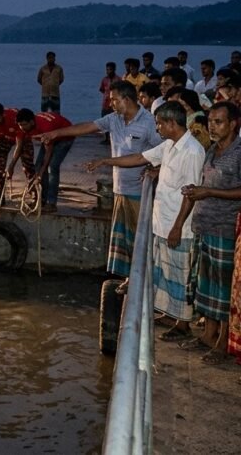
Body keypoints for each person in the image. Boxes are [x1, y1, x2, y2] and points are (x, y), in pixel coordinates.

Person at [87, 102, 205, 340]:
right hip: (161, 221)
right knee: (164, 271)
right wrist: (106, 161)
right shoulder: (170, 145)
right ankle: (170, 315)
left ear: (173, 123)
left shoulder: (192, 151)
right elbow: (140, 157)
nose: (157, 127)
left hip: (176, 226)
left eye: (160, 123)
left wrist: (177, 226)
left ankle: (183, 324)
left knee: (179, 275)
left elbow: (191, 194)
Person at [38, 81, 161, 280]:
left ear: (127, 99)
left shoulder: (149, 123)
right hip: (119, 190)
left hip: (140, 192)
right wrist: (56, 133)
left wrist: (156, 169)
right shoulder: (113, 119)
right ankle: (130, 279)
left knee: (141, 239)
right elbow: (87, 127)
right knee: (124, 241)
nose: (110, 103)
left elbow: (163, 151)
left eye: (114, 99)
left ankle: (145, 280)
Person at [179, 102, 241, 362]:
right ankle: (208, 333)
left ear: (233, 123)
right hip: (204, 224)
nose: (212, 127)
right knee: (206, 285)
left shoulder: (239, 152)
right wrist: (197, 189)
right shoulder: (212, 149)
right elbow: (208, 182)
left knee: (224, 289)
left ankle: (223, 343)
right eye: (211, 122)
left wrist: (209, 192)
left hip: (225, 228)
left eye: (218, 122)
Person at [18, 109, 73, 213]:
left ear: (32, 122)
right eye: (20, 125)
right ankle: (41, 200)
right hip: (49, 137)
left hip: (65, 137)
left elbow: (48, 154)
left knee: (53, 167)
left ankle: (51, 203)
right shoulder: (27, 127)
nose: (22, 128)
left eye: (24, 125)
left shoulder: (45, 127)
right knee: (38, 166)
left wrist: (40, 174)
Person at [0, 103, 35, 206]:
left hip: (22, 137)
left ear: (3, 115)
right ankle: (0, 197)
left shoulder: (13, 119)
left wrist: (11, 166)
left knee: (27, 165)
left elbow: (19, 145)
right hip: (4, 138)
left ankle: (35, 195)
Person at [99, 62, 120, 144]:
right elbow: (102, 90)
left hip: (114, 104)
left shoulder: (118, 79)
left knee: (115, 122)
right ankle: (106, 138)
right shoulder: (104, 79)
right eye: (107, 70)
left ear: (114, 69)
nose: (108, 71)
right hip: (105, 104)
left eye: (110, 69)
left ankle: (113, 138)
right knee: (104, 121)